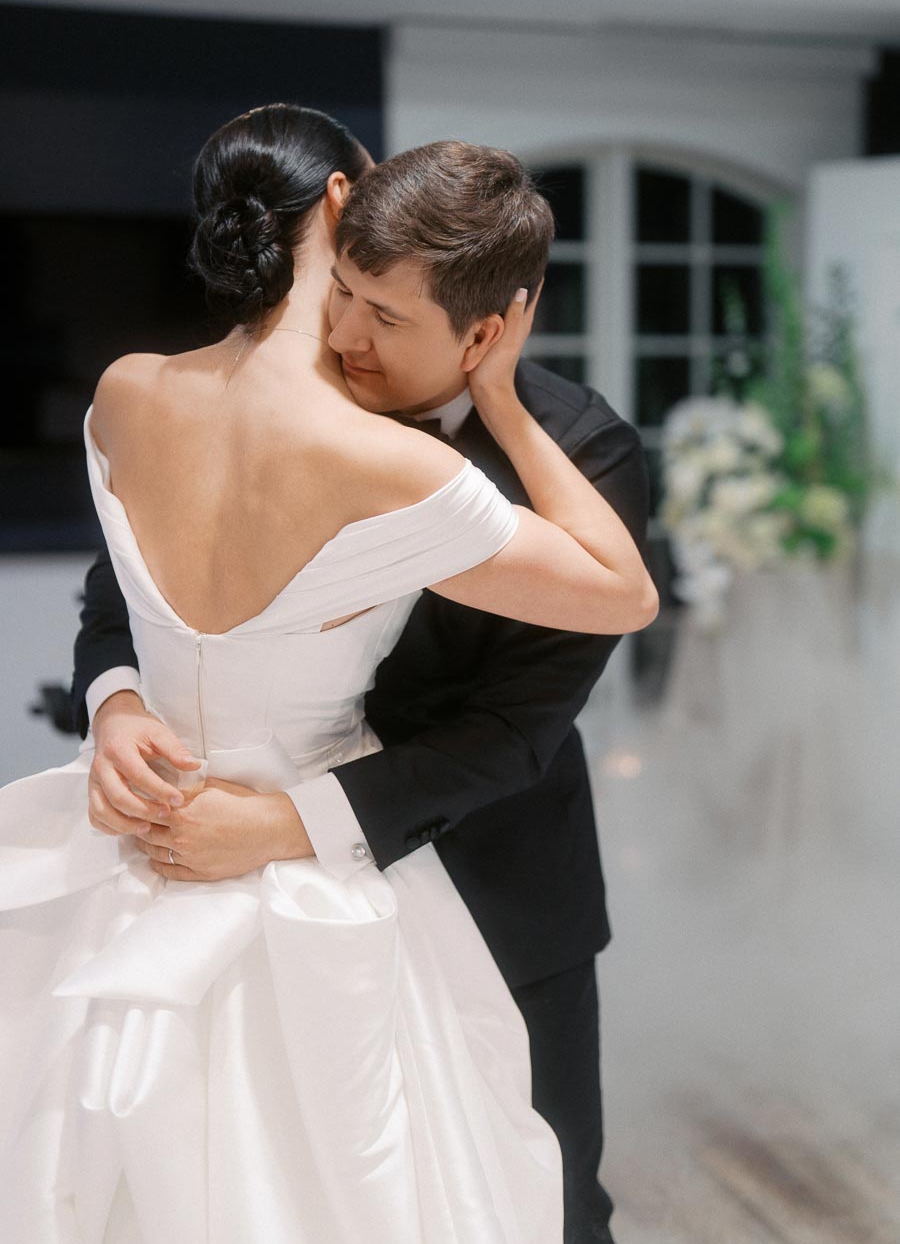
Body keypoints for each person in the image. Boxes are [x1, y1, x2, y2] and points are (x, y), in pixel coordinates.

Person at [0, 104, 656, 1242]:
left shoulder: (583, 455)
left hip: (491, 879)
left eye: (385, 316)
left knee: (540, 1199)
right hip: (202, 859)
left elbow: (515, 727)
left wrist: (288, 825)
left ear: (487, 332)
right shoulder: (280, 399)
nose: (344, 336)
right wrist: (114, 707)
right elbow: (121, 601)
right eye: (344, 290)